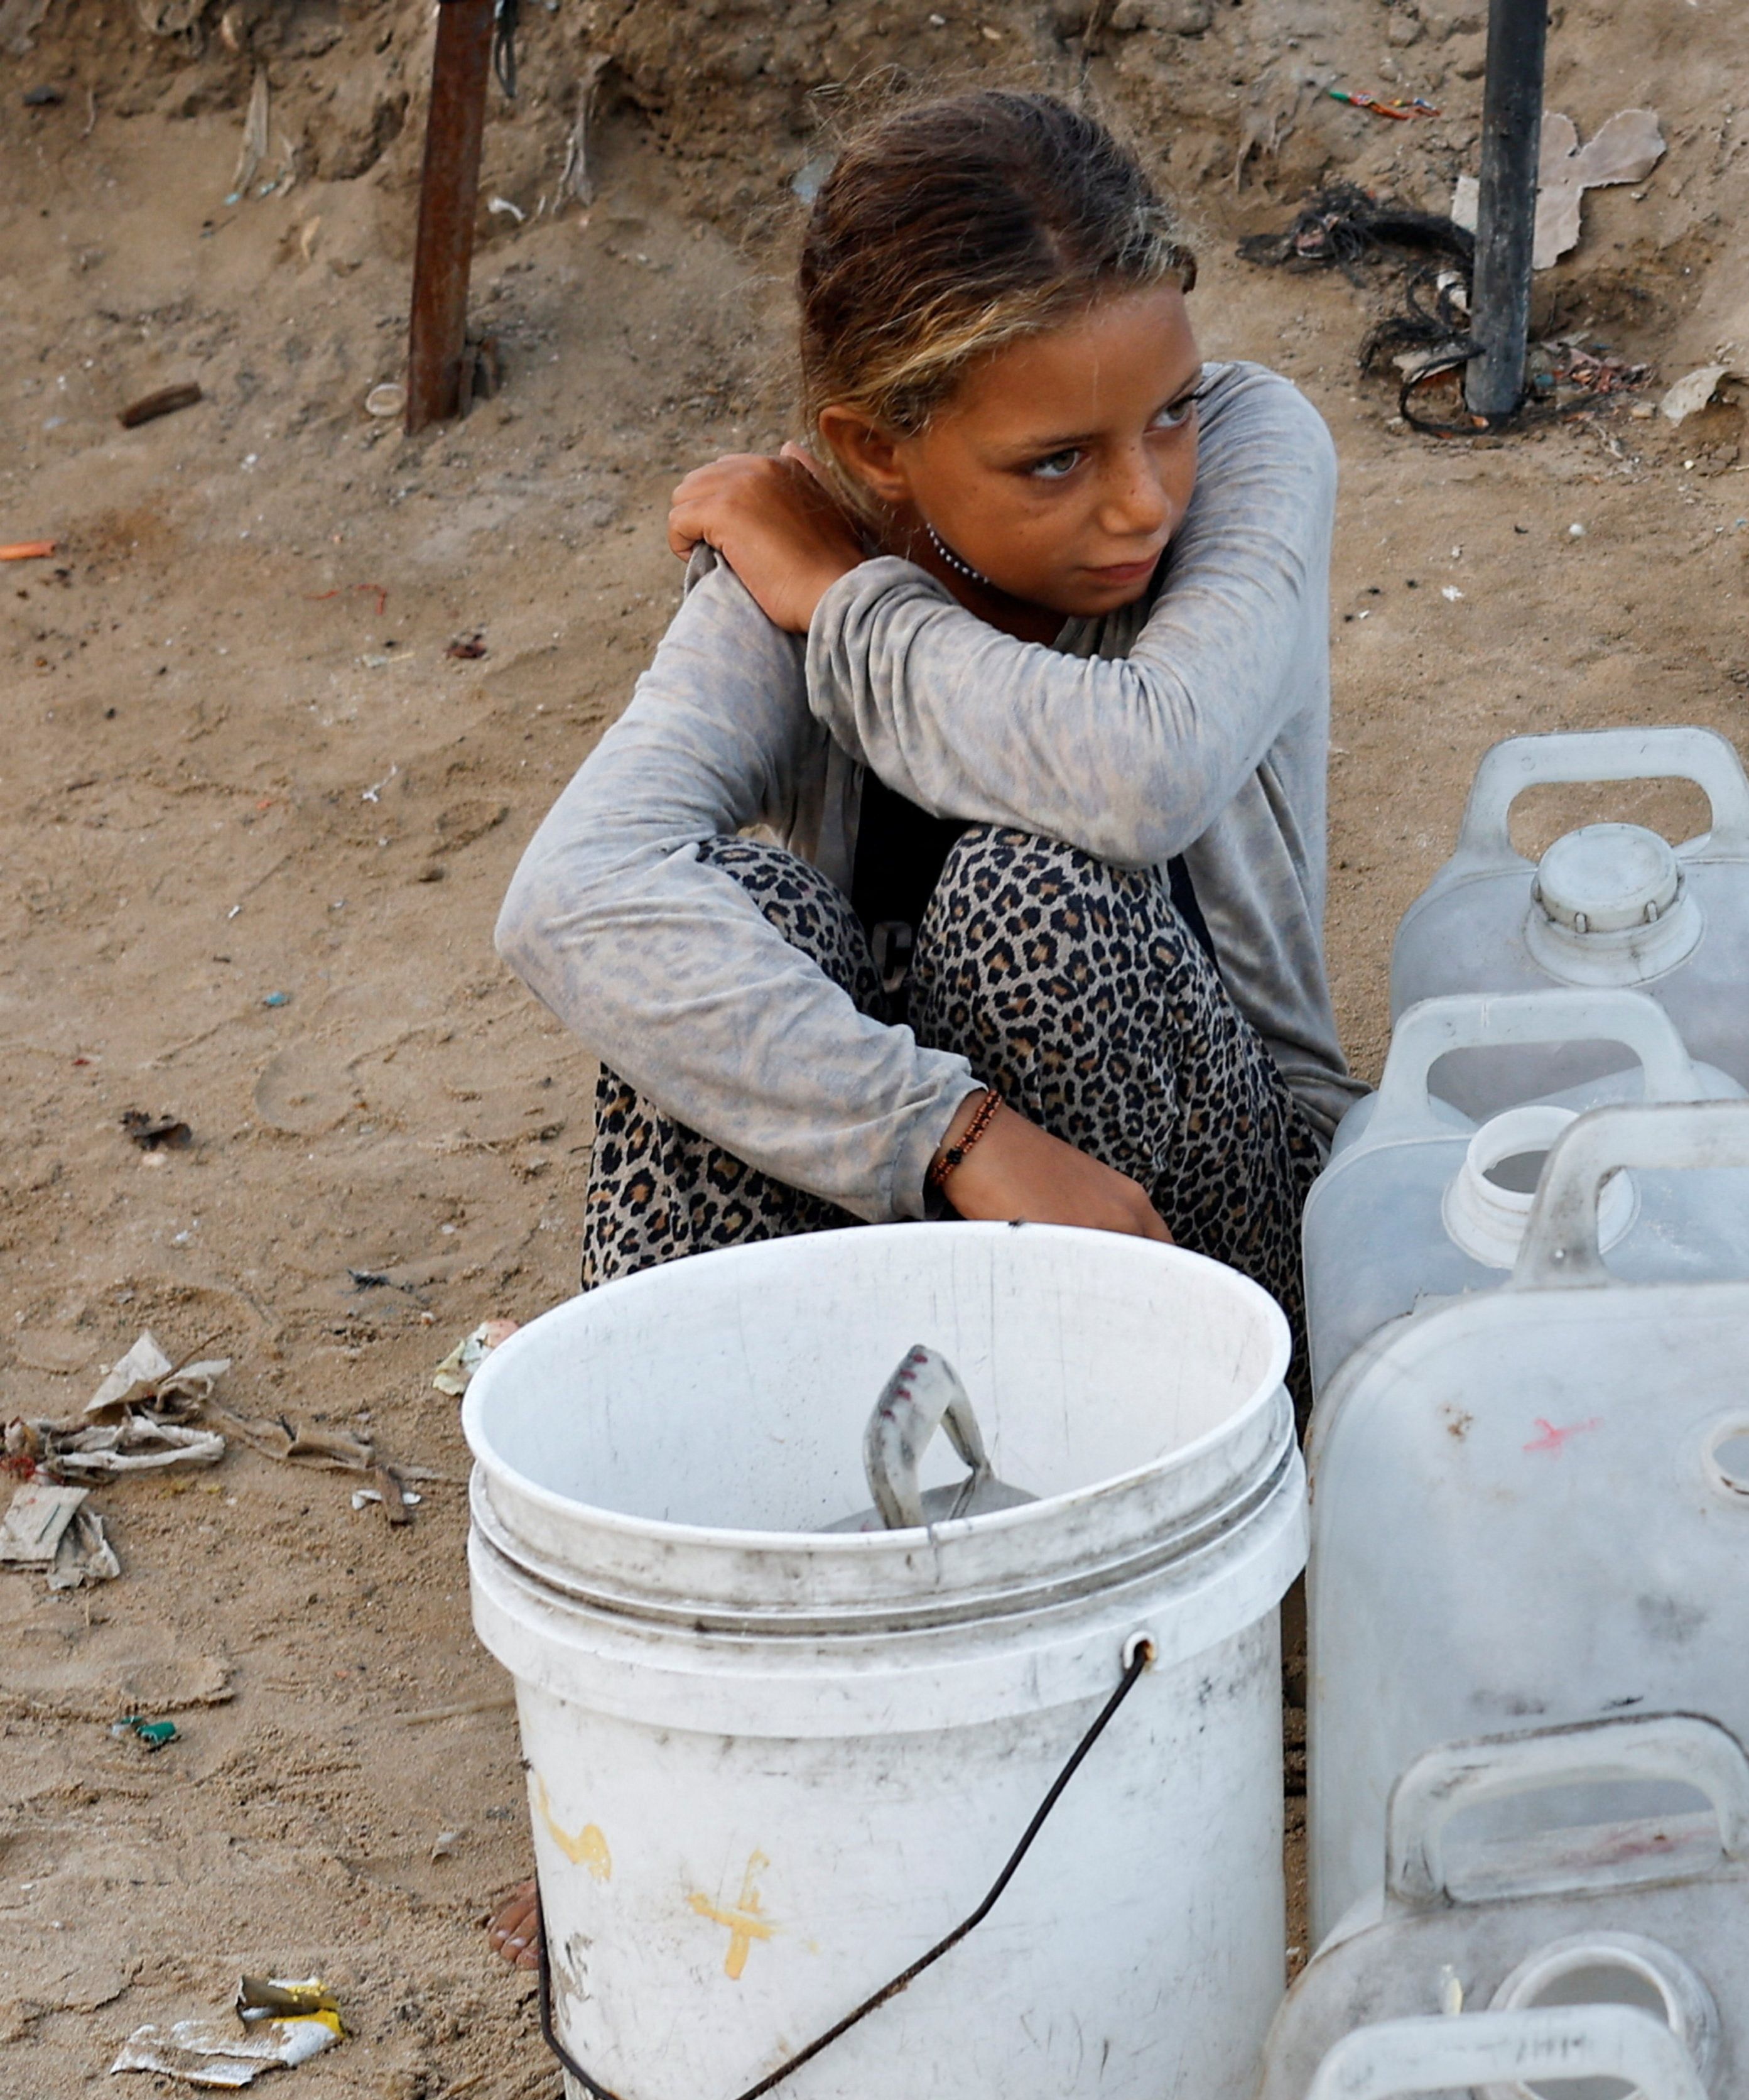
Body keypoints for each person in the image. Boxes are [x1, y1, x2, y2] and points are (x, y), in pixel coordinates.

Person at [483, 89, 1355, 1964]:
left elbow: (1143, 771)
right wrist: (947, 1138)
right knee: (740, 932)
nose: (1141, 500)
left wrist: (845, 602)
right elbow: (573, 899)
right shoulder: (785, 568)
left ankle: (1180, 1608)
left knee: (1030, 897)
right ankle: (731, 1666)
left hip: (1209, 1232)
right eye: (1054, 463)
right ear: (876, 448)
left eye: (1161, 415)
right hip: (903, 1254)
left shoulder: (1257, 454)